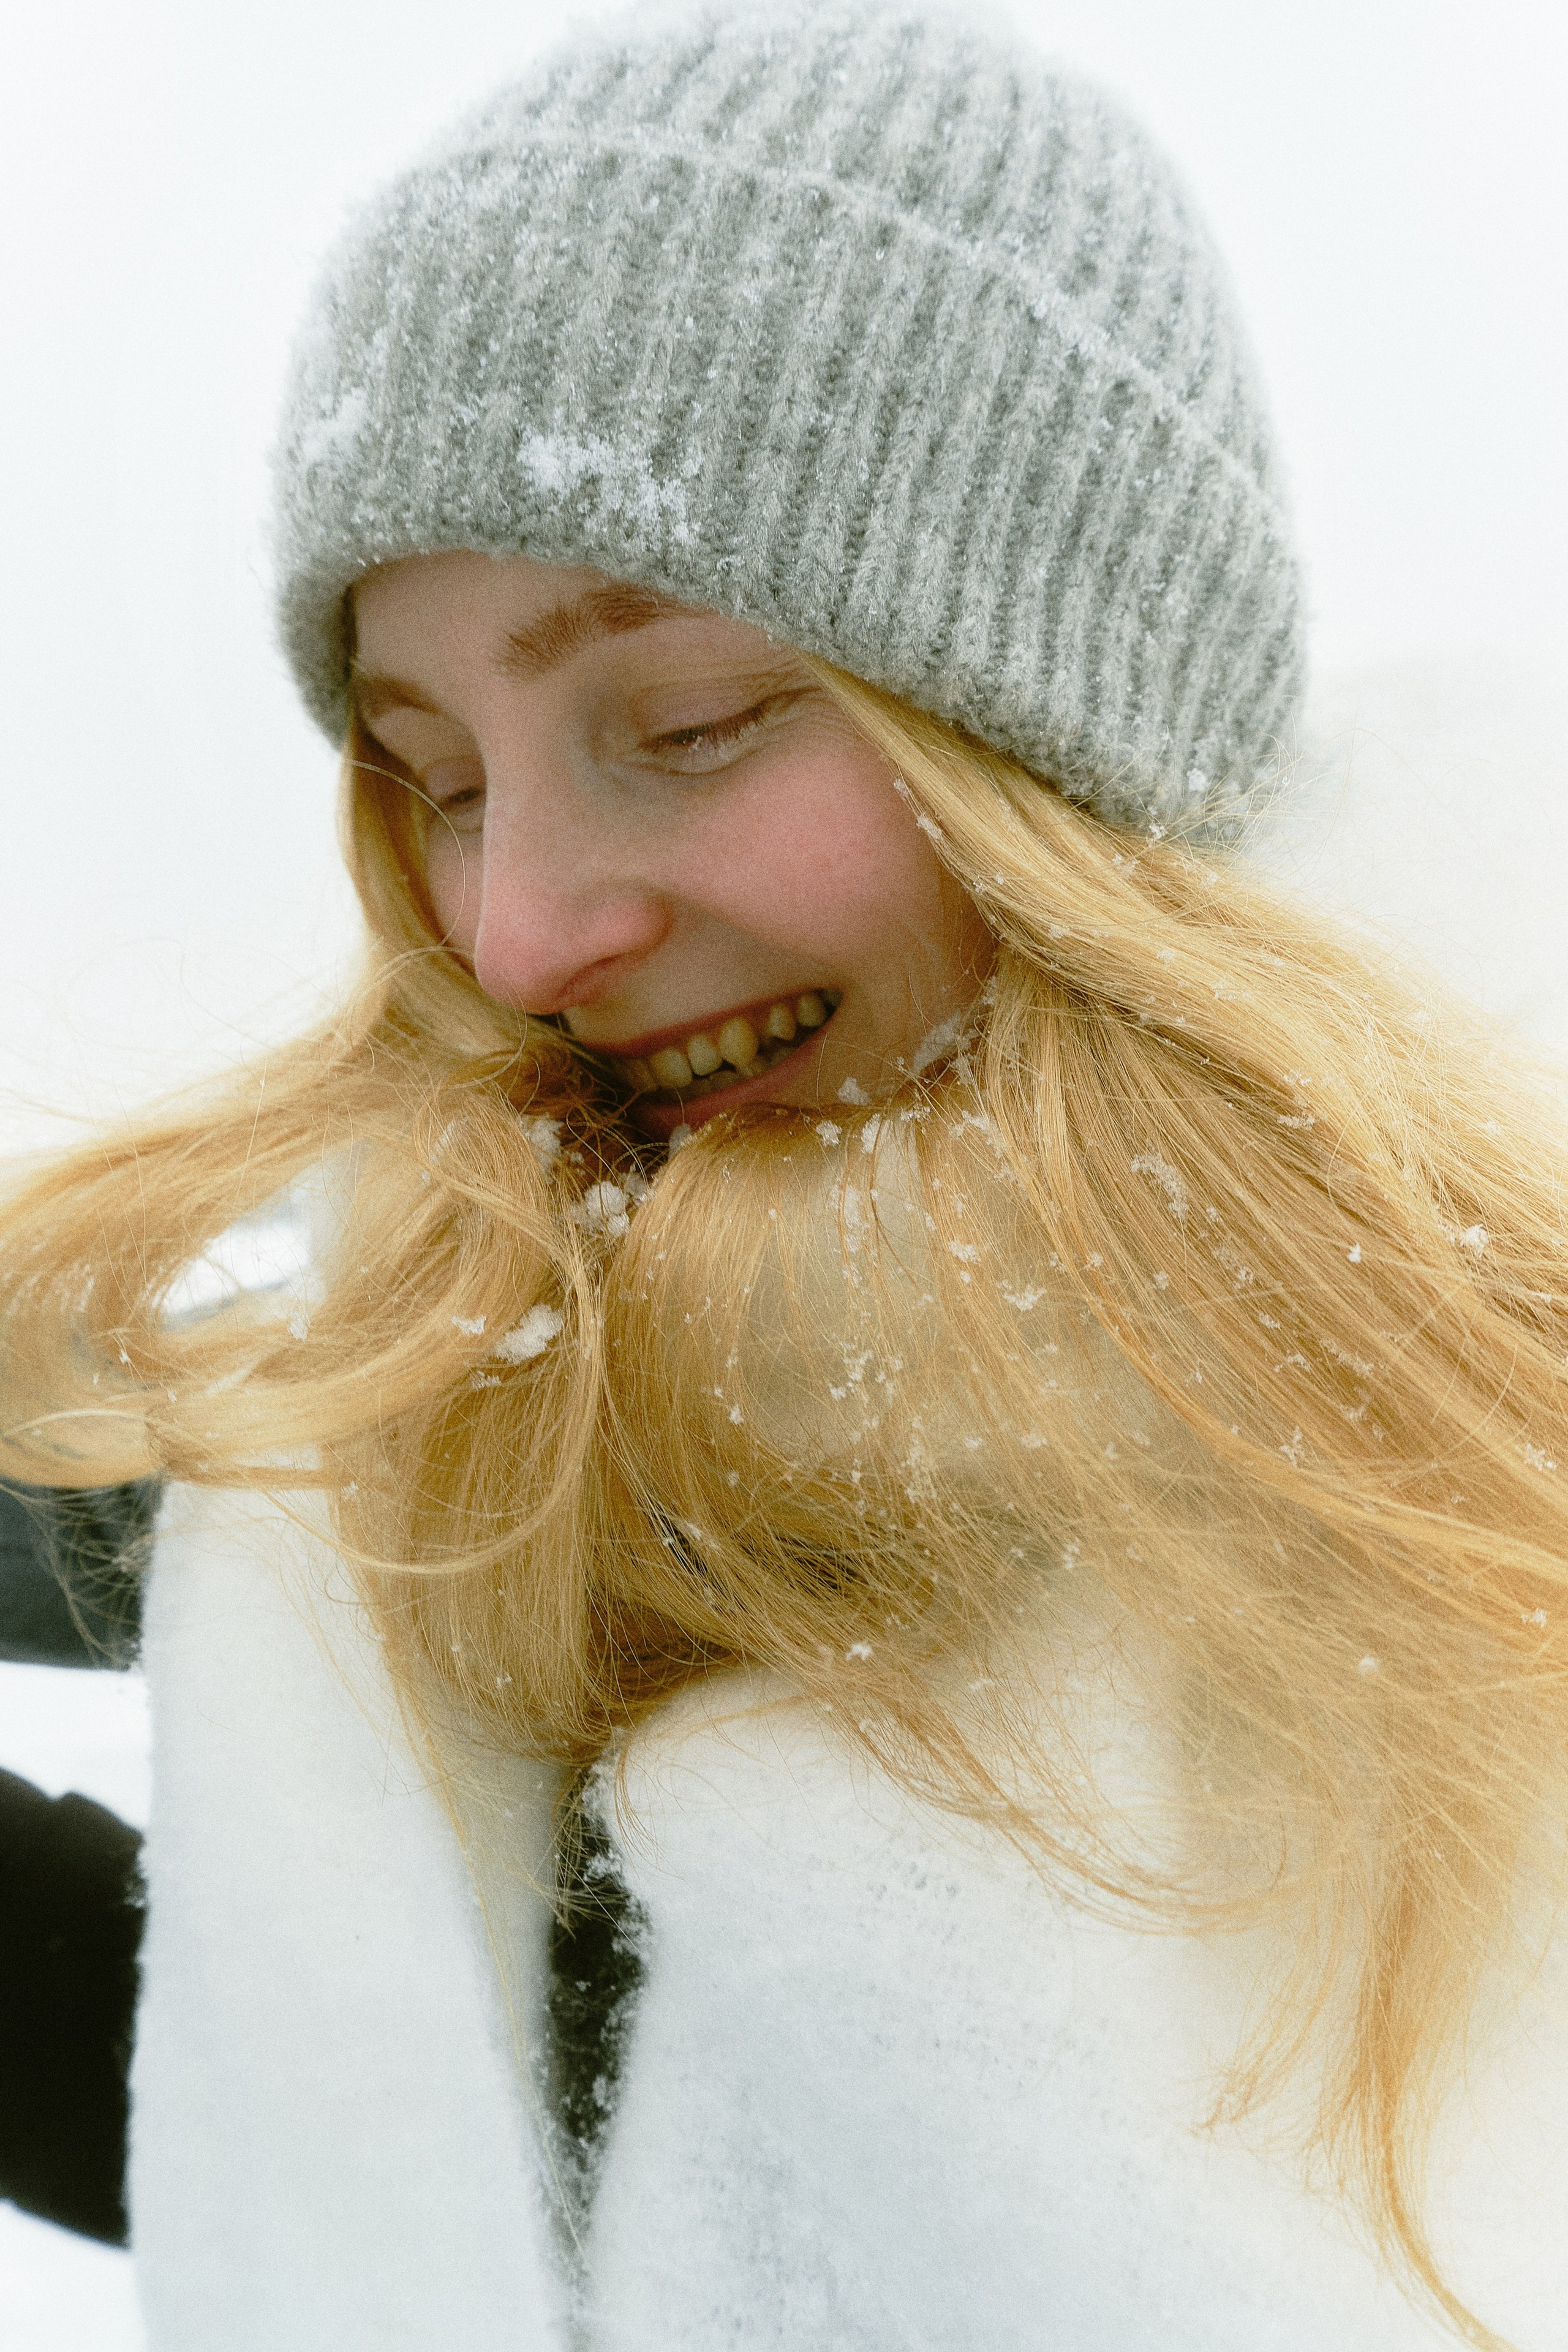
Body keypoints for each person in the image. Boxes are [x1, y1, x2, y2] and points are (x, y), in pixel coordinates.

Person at [2, 6, 1566, 2346]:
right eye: (440, 780)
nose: (520, 934)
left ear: (1063, 716)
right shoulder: (507, 1425)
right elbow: (456, 2131)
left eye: (693, 723)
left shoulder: (1471, 1452)